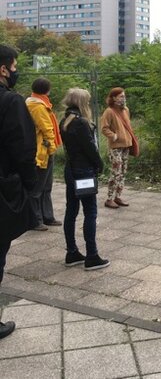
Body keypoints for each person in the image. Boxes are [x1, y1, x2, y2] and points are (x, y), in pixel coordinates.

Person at [0, 44, 37, 339]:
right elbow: (24, 149)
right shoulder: (10, 102)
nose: (15, 71)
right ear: (3, 69)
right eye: (13, 66)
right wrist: (30, 186)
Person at [60, 88, 109, 270]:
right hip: (84, 172)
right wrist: (100, 165)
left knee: (71, 211)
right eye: (87, 101)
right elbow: (90, 149)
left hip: (70, 170)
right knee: (90, 212)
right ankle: (92, 255)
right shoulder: (81, 123)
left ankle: (72, 252)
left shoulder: (64, 121)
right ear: (82, 103)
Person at [26, 77, 62, 230]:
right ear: (47, 90)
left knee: (46, 186)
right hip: (42, 151)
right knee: (38, 188)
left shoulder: (34, 102)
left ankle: (47, 216)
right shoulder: (38, 106)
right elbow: (47, 129)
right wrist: (52, 148)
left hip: (43, 150)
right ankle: (36, 220)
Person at [101, 87, 137, 209]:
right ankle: (109, 198)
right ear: (114, 98)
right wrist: (114, 136)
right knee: (116, 172)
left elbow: (128, 126)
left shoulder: (126, 110)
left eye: (124, 96)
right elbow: (104, 128)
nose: (124, 98)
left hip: (126, 146)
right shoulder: (109, 111)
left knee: (122, 172)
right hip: (115, 147)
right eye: (121, 96)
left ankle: (118, 196)